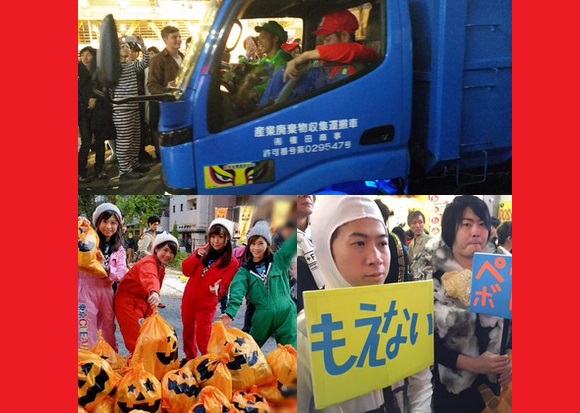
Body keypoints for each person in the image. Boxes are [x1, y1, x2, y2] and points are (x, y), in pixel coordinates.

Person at [297, 196, 432, 413]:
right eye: (359, 243)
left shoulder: (405, 311)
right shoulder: (307, 330)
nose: (376, 258)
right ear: (326, 249)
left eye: (382, 243)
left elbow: (421, 383)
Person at [409, 196, 512, 412]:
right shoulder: (427, 270)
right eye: (466, 224)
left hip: (494, 386)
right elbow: (420, 339)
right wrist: (473, 364)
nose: (476, 231)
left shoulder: (502, 266)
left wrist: (512, 358)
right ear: (450, 228)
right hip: (447, 387)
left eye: (482, 224)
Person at [220, 220, 297, 348]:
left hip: (286, 313)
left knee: (291, 352)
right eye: (253, 243)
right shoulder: (245, 271)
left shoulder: (279, 259)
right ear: (248, 245)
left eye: (261, 243)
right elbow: (237, 290)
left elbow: (292, 244)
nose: (256, 248)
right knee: (250, 350)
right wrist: (230, 312)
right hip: (263, 315)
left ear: (267, 243)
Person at [275, 9, 379, 103]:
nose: (325, 46)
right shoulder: (331, 65)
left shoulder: (361, 57)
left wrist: (304, 56)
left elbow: (354, 50)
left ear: (345, 36)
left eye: (328, 40)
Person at [181, 218, 240, 359]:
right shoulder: (202, 251)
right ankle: (191, 360)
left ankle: (209, 363)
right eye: (213, 236)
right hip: (189, 299)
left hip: (206, 304)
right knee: (187, 334)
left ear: (227, 239)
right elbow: (186, 271)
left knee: (204, 337)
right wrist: (196, 256)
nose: (216, 241)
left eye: (220, 237)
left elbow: (225, 285)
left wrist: (218, 290)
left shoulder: (232, 262)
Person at [114, 232, 178, 354]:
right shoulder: (149, 263)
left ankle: (142, 366)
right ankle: (138, 369)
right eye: (165, 250)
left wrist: (152, 310)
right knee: (137, 341)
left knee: (147, 337)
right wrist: (154, 292)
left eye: (172, 252)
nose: (168, 255)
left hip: (142, 302)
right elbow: (150, 277)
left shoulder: (160, 266)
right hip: (128, 303)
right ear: (156, 248)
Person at [78, 202, 127, 351]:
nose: (109, 226)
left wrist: (105, 267)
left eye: (113, 222)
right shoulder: (86, 241)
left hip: (107, 293)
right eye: (104, 221)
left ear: (118, 225)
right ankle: (88, 363)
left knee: (108, 329)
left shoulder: (119, 249)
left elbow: (121, 273)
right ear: (97, 222)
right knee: (85, 329)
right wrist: (79, 224)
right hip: (84, 292)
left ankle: (110, 360)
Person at [111, 36, 150, 180]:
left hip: (133, 108)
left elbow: (146, 62)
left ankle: (133, 164)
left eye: (126, 46)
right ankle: (124, 170)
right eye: (121, 47)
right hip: (122, 109)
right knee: (124, 141)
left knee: (134, 140)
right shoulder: (114, 68)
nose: (126, 48)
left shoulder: (130, 65)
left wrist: (142, 45)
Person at [78, 46, 97, 182]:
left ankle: (99, 169)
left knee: (99, 140)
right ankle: (81, 172)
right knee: (86, 142)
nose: (85, 57)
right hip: (83, 111)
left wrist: (95, 100)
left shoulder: (97, 71)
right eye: (82, 54)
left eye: (88, 55)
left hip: (97, 110)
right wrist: (86, 102)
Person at [147, 25, 184, 95]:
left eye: (179, 37)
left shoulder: (184, 58)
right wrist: (168, 91)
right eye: (174, 37)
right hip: (168, 103)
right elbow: (151, 86)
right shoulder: (157, 60)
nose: (179, 39)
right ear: (165, 40)